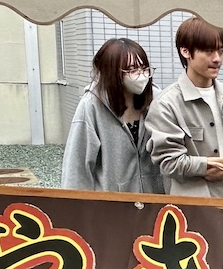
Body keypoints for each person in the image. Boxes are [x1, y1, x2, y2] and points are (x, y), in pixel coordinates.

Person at [146, 17, 223, 199]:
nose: (217, 59)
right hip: (195, 211)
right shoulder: (166, 104)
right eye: (209, 51)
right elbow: (169, 162)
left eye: (221, 51)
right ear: (185, 51)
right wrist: (210, 164)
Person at [61, 38, 164, 194]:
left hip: (155, 202)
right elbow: (77, 166)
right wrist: (78, 209)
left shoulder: (158, 100)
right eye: (131, 70)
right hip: (113, 206)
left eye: (144, 68)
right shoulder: (91, 105)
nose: (141, 75)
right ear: (111, 72)